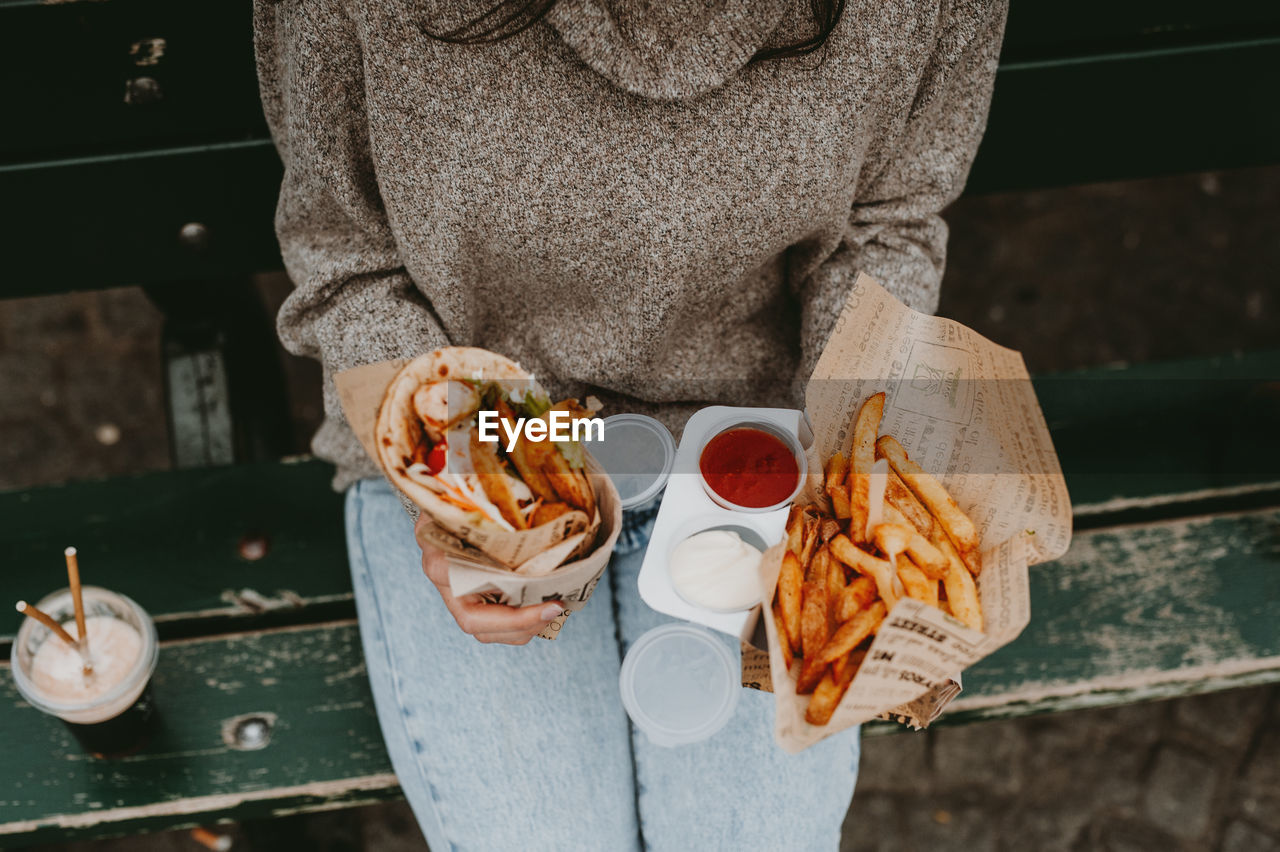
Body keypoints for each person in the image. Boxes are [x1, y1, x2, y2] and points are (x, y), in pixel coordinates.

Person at [254, 0, 1007, 847]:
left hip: (758, 453)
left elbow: (887, 224)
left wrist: (851, 461)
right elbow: (346, 257)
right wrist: (458, 488)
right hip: (487, 444)